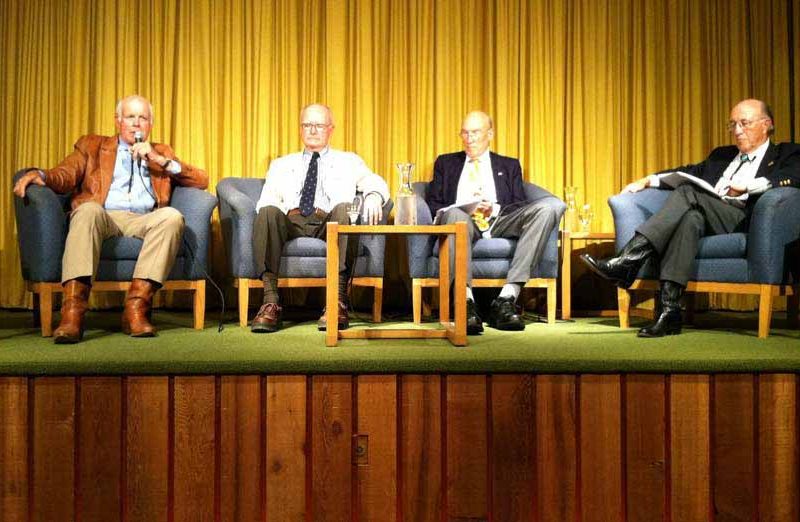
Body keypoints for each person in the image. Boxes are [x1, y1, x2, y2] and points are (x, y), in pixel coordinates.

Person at [581, 98, 800, 337]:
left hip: (745, 219)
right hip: (708, 215)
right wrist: (648, 180)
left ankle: (629, 259)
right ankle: (670, 312)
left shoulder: (786, 153)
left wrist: (748, 186)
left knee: (687, 193)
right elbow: (687, 171)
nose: (737, 131)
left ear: (766, 124)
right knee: (690, 219)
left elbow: (791, 176)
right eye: (733, 125)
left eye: (744, 123)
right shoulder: (722, 156)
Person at [13, 94, 208, 343]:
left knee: (171, 216)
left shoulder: (160, 152)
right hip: (103, 215)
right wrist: (42, 175)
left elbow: (201, 180)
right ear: (118, 121)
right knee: (87, 210)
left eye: (143, 118)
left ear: (150, 125)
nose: (137, 123)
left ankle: (136, 309)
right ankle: (73, 312)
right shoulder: (92, 146)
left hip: (143, 219)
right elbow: (66, 173)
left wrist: (160, 161)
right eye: (130, 117)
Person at [251, 103, 389, 333]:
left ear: (330, 129)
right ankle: (270, 302)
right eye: (307, 125)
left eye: (319, 125)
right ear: (300, 129)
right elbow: (268, 198)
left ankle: (337, 301)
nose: (312, 130)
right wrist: (271, 217)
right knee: (266, 210)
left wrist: (373, 195)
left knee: (346, 208)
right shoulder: (281, 164)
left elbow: (374, 181)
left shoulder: (350, 161)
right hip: (291, 221)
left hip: (329, 221)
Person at [425, 110, 561, 334]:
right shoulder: (446, 163)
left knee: (547, 209)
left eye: (475, 132)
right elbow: (434, 204)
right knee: (456, 218)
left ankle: (507, 299)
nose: (470, 138)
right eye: (465, 133)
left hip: (500, 220)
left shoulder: (509, 166)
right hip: (463, 220)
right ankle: (465, 304)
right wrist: (464, 207)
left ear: (490, 134)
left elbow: (519, 205)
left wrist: (494, 208)